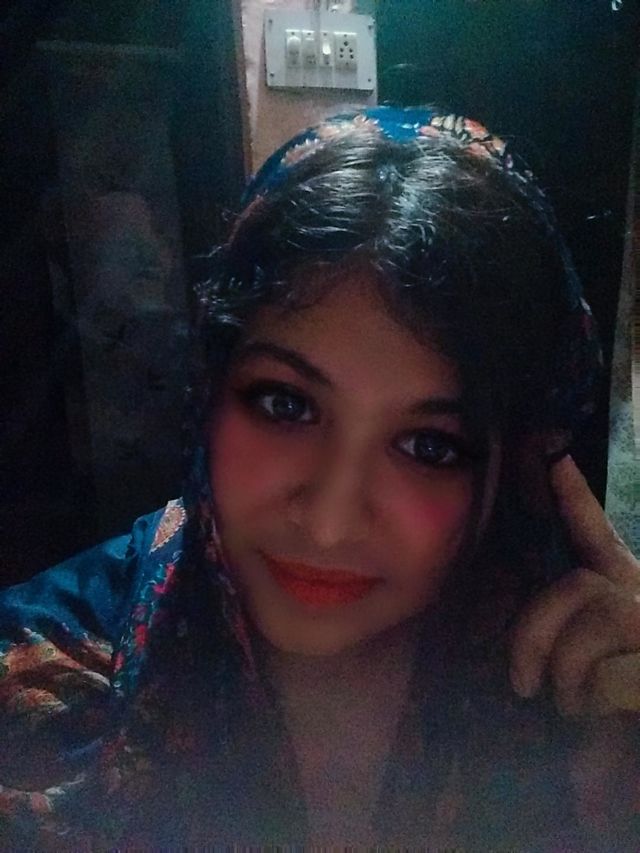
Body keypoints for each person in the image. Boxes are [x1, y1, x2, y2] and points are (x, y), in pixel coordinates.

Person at [1, 106, 639, 849]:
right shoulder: (40, 677)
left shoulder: (572, 703)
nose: (330, 522)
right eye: (286, 404)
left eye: (429, 446)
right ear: (212, 385)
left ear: (513, 465)